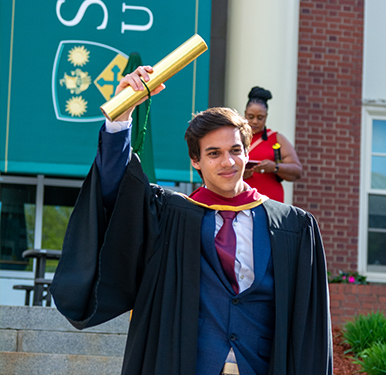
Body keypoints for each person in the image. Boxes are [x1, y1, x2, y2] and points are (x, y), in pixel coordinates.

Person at [50, 66, 332, 375]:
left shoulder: (293, 227)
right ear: (195, 161)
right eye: (213, 153)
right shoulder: (171, 215)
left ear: (247, 151)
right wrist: (120, 119)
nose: (227, 162)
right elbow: (117, 190)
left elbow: (310, 328)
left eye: (235, 150)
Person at [243, 87, 302, 202]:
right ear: (245, 114)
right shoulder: (235, 137)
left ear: (266, 116)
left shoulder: (276, 138)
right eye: (251, 117)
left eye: (260, 118)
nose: (255, 121)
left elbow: (297, 171)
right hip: (242, 201)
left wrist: (274, 167)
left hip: (270, 203)